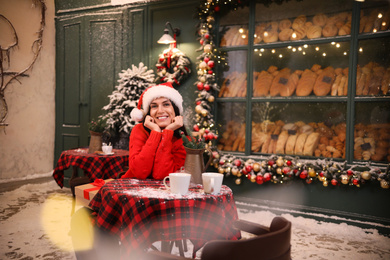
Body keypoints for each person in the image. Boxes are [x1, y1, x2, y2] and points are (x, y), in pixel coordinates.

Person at [121, 82, 188, 180]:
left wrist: (167, 132)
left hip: (167, 192)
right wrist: (155, 133)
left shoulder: (185, 140)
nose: (160, 111)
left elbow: (162, 175)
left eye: (166, 104)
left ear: (176, 110)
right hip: (132, 189)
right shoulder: (139, 130)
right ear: (149, 113)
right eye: (154, 106)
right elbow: (139, 173)